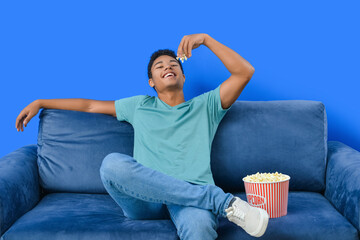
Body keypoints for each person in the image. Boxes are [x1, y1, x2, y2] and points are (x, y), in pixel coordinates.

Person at [15, 33, 269, 239]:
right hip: (145, 198)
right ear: (151, 82)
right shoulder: (139, 105)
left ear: (183, 76)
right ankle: (223, 202)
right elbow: (89, 106)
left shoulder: (206, 106)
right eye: (160, 66)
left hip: (191, 193)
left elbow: (244, 72)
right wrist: (41, 101)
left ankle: (215, 202)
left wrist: (206, 39)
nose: (168, 67)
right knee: (112, 164)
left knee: (200, 227)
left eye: (173, 65)